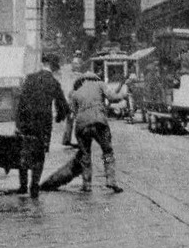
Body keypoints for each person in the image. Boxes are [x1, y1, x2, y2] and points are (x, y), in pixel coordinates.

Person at [15, 53, 69, 199]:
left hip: (26, 122)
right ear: (53, 66)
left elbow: (20, 101)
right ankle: (34, 186)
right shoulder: (53, 82)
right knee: (39, 155)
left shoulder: (30, 78)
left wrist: (18, 122)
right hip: (43, 124)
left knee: (24, 152)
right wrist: (60, 116)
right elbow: (63, 105)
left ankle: (22, 185)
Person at [68, 70, 121, 193]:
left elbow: (73, 112)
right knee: (107, 152)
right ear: (95, 78)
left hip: (81, 125)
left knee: (85, 154)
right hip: (99, 122)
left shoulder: (76, 93)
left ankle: (86, 184)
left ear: (82, 81)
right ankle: (111, 181)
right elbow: (112, 97)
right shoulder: (100, 84)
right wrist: (122, 95)